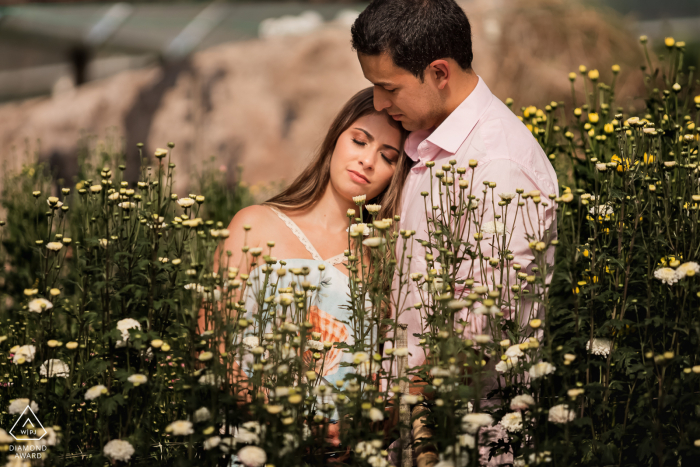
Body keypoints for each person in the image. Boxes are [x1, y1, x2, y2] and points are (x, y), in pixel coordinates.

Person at [351, 0, 559, 464]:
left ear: (439, 72)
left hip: (464, 437)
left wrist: (405, 408)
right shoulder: (429, 142)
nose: (380, 104)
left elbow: (483, 324)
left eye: (388, 88)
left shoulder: (499, 165)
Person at [199, 86, 410, 447]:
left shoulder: (382, 263)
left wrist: (355, 432)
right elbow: (208, 339)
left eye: (388, 156)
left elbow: (381, 377)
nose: (368, 161)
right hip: (244, 439)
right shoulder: (255, 224)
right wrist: (277, 415)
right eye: (359, 141)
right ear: (335, 138)